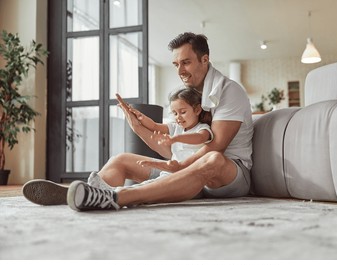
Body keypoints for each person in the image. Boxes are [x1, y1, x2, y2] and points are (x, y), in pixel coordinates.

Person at [22, 32, 253, 211]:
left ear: (205, 59)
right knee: (121, 160)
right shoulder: (190, 98)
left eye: (186, 62)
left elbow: (216, 146)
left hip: (227, 176)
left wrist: (178, 166)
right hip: (187, 173)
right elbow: (170, 149)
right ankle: (84, 194)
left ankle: (116, 196)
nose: (180, 70)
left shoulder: (228, 91)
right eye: (176, 65)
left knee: (213, 158)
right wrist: (136, 127)